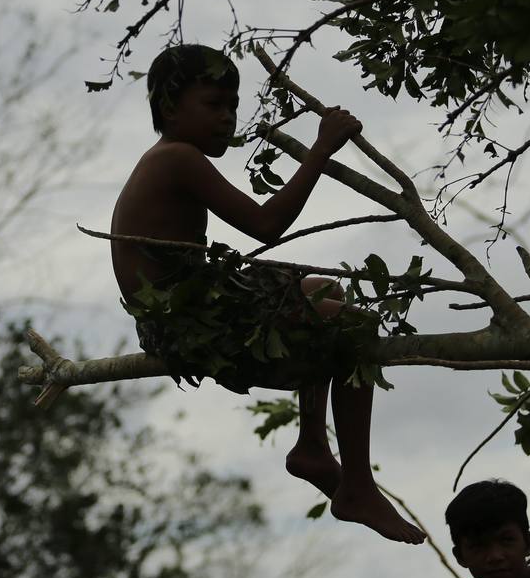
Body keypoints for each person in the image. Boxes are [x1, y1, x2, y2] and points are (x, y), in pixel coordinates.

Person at [110, 42, 425, 544]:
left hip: (188, 312)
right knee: (354, 327)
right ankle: (358, 485)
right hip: (187, 325)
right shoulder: (176, 159)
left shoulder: (172, 158)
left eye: (232, 106)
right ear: (170, 108)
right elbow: (266, 224)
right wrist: (321, 150)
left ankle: (313, 446)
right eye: (213, 105)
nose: (227, 118)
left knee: (325, 292)